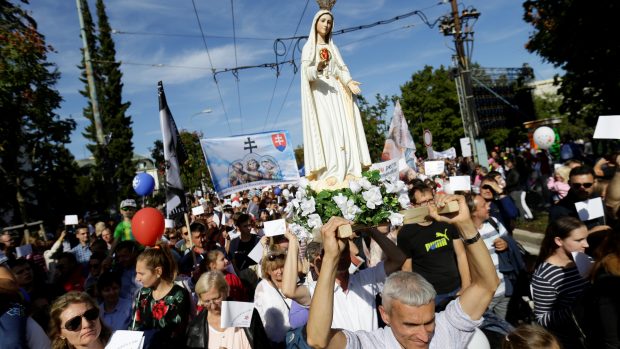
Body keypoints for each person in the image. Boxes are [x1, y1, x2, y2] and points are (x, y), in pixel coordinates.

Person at [305, 194, 500, 348]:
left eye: (429, 321)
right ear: (385, 315)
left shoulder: (446, 329)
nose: (424, 336)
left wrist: (465, 225)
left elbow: (487, 285)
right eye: (411, 325)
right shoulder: (371, 344)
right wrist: (330, 257)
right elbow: (318, 340)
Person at [301, 5, 371, 188]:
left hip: (336, 91)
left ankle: (348, 170)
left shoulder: (333, 47)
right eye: (323, 21)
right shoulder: (309, 48)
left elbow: (341, 69)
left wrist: (348, 82)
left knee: (343, 130)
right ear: (315, 23)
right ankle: (330, 172)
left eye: (329, 22)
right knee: (327, 131)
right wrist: (318, 67)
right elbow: (306, 74)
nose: (326, 24)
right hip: (320, 93)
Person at [398, 181, 470, 304]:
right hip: (429, 296)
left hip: (456, 289)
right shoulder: (406, 233)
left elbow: (461, 254)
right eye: (423, 202)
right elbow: (407, 269)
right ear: (413, 205)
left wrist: (466, 286)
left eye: (431, 200)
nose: (429, 205)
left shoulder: (446, 220)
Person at [531, 216, 590, 349]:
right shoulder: (544, 276)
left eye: (586, 238)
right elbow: (542, 318)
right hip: (573, 341)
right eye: (579, 240)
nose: (586, 244)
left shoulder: (584, 258)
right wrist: (578, 309)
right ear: (559, 241)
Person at [130, 243, 191, 349]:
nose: (137, 278)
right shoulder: (142, 293)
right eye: (137, 273)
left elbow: (175, 334)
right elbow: (135, 326)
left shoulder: (179, 295)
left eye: (142, 274)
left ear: (158, 271)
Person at [187, 271, 269, 349]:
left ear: (226, 291)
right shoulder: (195, 328)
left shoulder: (248, 314)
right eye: (207, 301)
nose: (213, 306)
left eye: (216, 299)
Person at [253, 247, 291, 346]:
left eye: (282, 267)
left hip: (295, 337)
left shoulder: (293, 281)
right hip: (274, 342)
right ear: (268, 271)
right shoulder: (262, 287)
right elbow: (259, 316)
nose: (280, 271)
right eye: (274, 269)